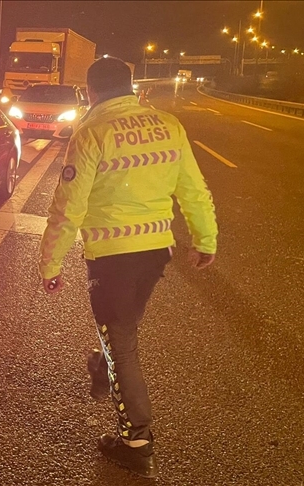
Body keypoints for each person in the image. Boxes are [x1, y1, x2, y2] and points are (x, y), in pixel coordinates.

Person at [38, 56, 217, 478]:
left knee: (122, 346)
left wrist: (51, 263)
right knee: (122, 331)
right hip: (156, 252)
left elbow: (68, 207)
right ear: (131, 85)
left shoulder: (91, 132)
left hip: (113, 257)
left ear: (92, 91)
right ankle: (102, 368)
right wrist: (205, 239)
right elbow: (192, 188)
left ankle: (136, 441)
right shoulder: (168, 126)